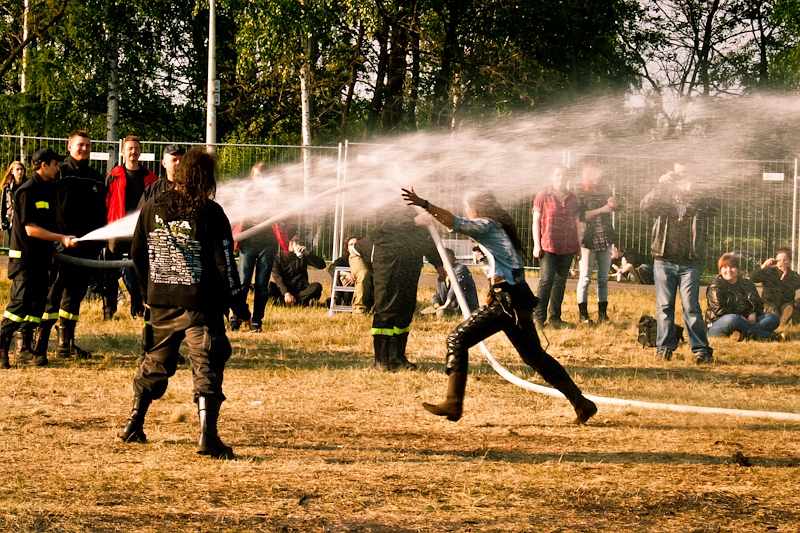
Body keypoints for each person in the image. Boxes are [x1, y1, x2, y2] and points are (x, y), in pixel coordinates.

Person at [402, 187, 597, 424]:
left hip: (509, 303)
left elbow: (455, 222)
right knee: (536, 357)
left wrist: (426, 204)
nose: (467, 212)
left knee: (457, 339)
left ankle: (453, 403)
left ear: (478, 209)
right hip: (515, 299)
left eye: (469, 208)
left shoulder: (487, 225)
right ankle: (582, 404)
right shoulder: (496, 228)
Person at [119, 148, 248, 458]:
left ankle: (133, 424)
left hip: (161, 301)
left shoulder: (152, 207)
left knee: (154, 362)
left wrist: (145, 295)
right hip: (199, 305)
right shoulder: (211, 212)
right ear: (204, 177)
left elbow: (137, 254)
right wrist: (238, 305)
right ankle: (208, 436)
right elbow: (225, 264)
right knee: (207, 361)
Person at [0, 148, 77, 369]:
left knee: (36, 307)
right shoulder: (27, 191)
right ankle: (2, 348)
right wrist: (61, 238)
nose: (57, 168)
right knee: (19, 305)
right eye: (54, 164)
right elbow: (31, 230)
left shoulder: (49, 189)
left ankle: (24, 351)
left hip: (42, 259)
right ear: (43, 165)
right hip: (25, 260)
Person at [36, 130, 107, 361]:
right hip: (60, 246)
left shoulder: (96, 178)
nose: (84, 149)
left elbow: (101, 213)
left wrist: (98, 242)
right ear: (69, 147)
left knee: (74, 296)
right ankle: (40, 344)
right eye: (80, 145)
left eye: (87, 145)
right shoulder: (60, 173)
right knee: (52, 294)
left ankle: (66, 344)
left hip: (85, 247)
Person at [640, 162, 716, 364]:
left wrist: (697, 189)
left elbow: (716, 207)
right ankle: (664, 348)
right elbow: (644, 205)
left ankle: (701, 350)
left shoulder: (699, 196)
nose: (681, 179)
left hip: (690, 261)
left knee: (691, 307)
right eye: (677, 175)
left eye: (685, 174)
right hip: (664, 259)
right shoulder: (663, 195)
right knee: (664, 306)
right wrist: (659, 186)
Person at [355, 204, 445, 371]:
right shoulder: (384, 200)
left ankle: (398, 356)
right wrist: (413, 221)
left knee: (406, 308)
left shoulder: (414, 205)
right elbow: (381, 228)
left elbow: (425, 238)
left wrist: (439, 264)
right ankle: (381, 360)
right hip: (389, 261)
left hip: (410, 263)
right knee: (386, 307)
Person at [104, 135, 158, 319]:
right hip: (116, 230)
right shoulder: (113, 176)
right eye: (130, 148)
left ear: (140, 151)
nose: (133, 152)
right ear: (123, 151)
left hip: (139, 231)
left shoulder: (150, 178)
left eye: (136, 148)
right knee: (110, 272)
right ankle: (109, 309)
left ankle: (138, 309)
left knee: (139, 271)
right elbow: (106, 202)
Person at [532, 166, 580, 327]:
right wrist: (536, 245)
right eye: (557, 175)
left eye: (564, 175)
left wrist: (578, 247)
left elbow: (576, 223)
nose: (560, 178)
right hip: (548, 245)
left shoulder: (573, 198)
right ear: (551, 176)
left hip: (567, 246)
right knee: (546, 280)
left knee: (560, 282)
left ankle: (555, 318)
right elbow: (536, 222)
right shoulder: (542, 196)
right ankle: (538, 318)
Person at [576, 162, 617, 324]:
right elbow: (581, 215)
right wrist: (603, 210)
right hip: (588, 239)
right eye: (595, 174)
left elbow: (615, 208)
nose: (598, 177)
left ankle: (602, 314)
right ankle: (583, 315)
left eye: (599, 174)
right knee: (585, 278)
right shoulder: (581, 191)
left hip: (605, 239)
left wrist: (615, 204)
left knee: (603, 279)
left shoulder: (605, 189)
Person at [705, 253, 780, 341]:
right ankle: (768, 336)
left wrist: (752, 313)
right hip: (720, 323)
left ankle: (742, 334)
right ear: (720, 270)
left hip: (746, 320)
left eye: (732, 267)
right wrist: (742, 317)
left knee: (773, 318)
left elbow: (759, 304)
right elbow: (720, 310)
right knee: (734, 319)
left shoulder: (747, 284)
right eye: (725, 267)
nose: (729, 270)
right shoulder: (715, 286)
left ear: (738, 269)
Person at [268, 234, 326, 307]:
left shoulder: (302, 256)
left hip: (300, 290)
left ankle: (289, 302)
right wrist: (286, 293)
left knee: (316, 287)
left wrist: (308, 254)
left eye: (297, 241)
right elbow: (277, 277)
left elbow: (322, 265)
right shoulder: (278, 258)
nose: (294, 243)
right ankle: (295, 301)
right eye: (292, 241)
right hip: (285, 290)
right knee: (269, 287)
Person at [749, 248, 800, 328]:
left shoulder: (793, 275)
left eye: (785, 260)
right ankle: (782, 320)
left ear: (789, 262)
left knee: (790, 307)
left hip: (786, 303)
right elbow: (753, 278)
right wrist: (763, 267)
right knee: (773, 310)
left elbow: (797, 283)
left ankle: (785, 319)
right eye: (779, 260)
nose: (781, 263)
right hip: (770, 303)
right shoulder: (769, 272)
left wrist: (786, 276)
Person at [431, 248, 479, 316]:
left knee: (441, 314)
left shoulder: (461, 269)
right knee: (425, 312)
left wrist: (446, 305)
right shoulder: (443, 274)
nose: (445, 261)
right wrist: (437, 306)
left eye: (448, 258)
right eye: (442, 259)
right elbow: (437, 294)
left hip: (463, 309)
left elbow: (456, 286)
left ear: (454, 259)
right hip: (449, 308)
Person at [1, 161, 26, 245]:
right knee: (13, 243)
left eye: (21, 169)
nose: (20, 172)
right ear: (12, 171)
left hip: (24, 219)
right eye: (17, 169)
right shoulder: (7, 188)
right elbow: (2, 206)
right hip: (11, 219)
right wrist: (2, 223)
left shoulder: (27, 186)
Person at [347, 236, 373, 313]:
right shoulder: (343, 259)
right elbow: (332, 268)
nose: (354, 246)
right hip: (346, 294)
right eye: (351, 244)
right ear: (347, 249)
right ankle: (359, 309)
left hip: (365, 290)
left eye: (356, 244)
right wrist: (346, 274)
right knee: (363, 274)